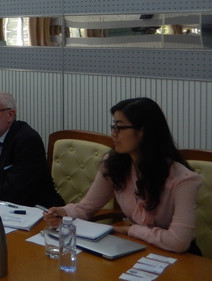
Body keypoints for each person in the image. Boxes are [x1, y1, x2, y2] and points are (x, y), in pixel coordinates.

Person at [43, 98, 201, 253]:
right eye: (113, 127)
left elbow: (178, 241)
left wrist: (131, 230)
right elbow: (87, 207)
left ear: (143, 131)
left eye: (119, 127)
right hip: (137, 247)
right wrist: (64, 213)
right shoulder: (114, 165)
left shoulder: (183, 179)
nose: (113, 134)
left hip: (178, 256)